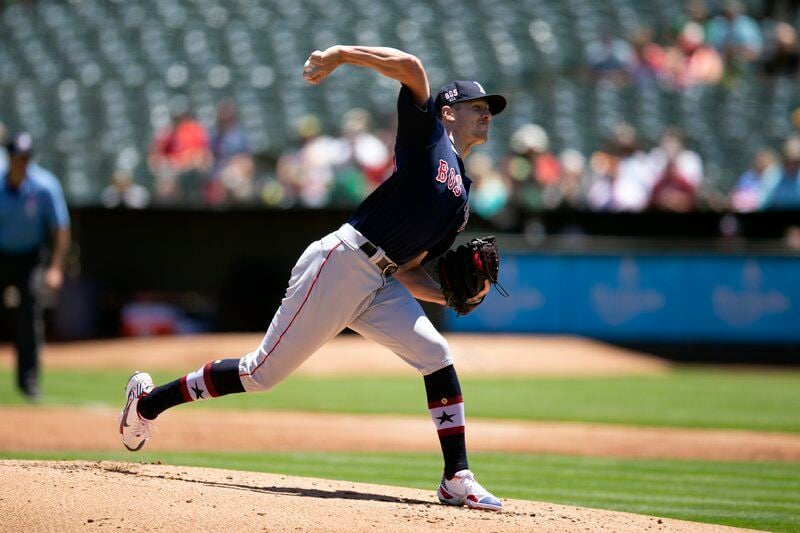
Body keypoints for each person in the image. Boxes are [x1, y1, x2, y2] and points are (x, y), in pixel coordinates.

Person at [119, 45, 507, 511]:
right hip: (342, 261)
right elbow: (413, 68)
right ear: (448, 113)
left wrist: (451, 297)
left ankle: (456, 476)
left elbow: (408, 269)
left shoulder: (461, 201)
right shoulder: (428, 138)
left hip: (380, 281)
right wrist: (340, 56)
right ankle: (146, 403)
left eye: (489, 110)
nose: (486, 115)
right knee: (260, 374)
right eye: (477, 108)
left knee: (436, 353)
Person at [0, 133, 70, 399]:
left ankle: (28, 382)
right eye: (19, 158)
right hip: (1, 253)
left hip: (30, 257)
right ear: (10, 158)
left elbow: (61, 229)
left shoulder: (44, 185)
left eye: (27, 158)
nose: (23, 163)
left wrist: (55, 267)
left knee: (29, 313)